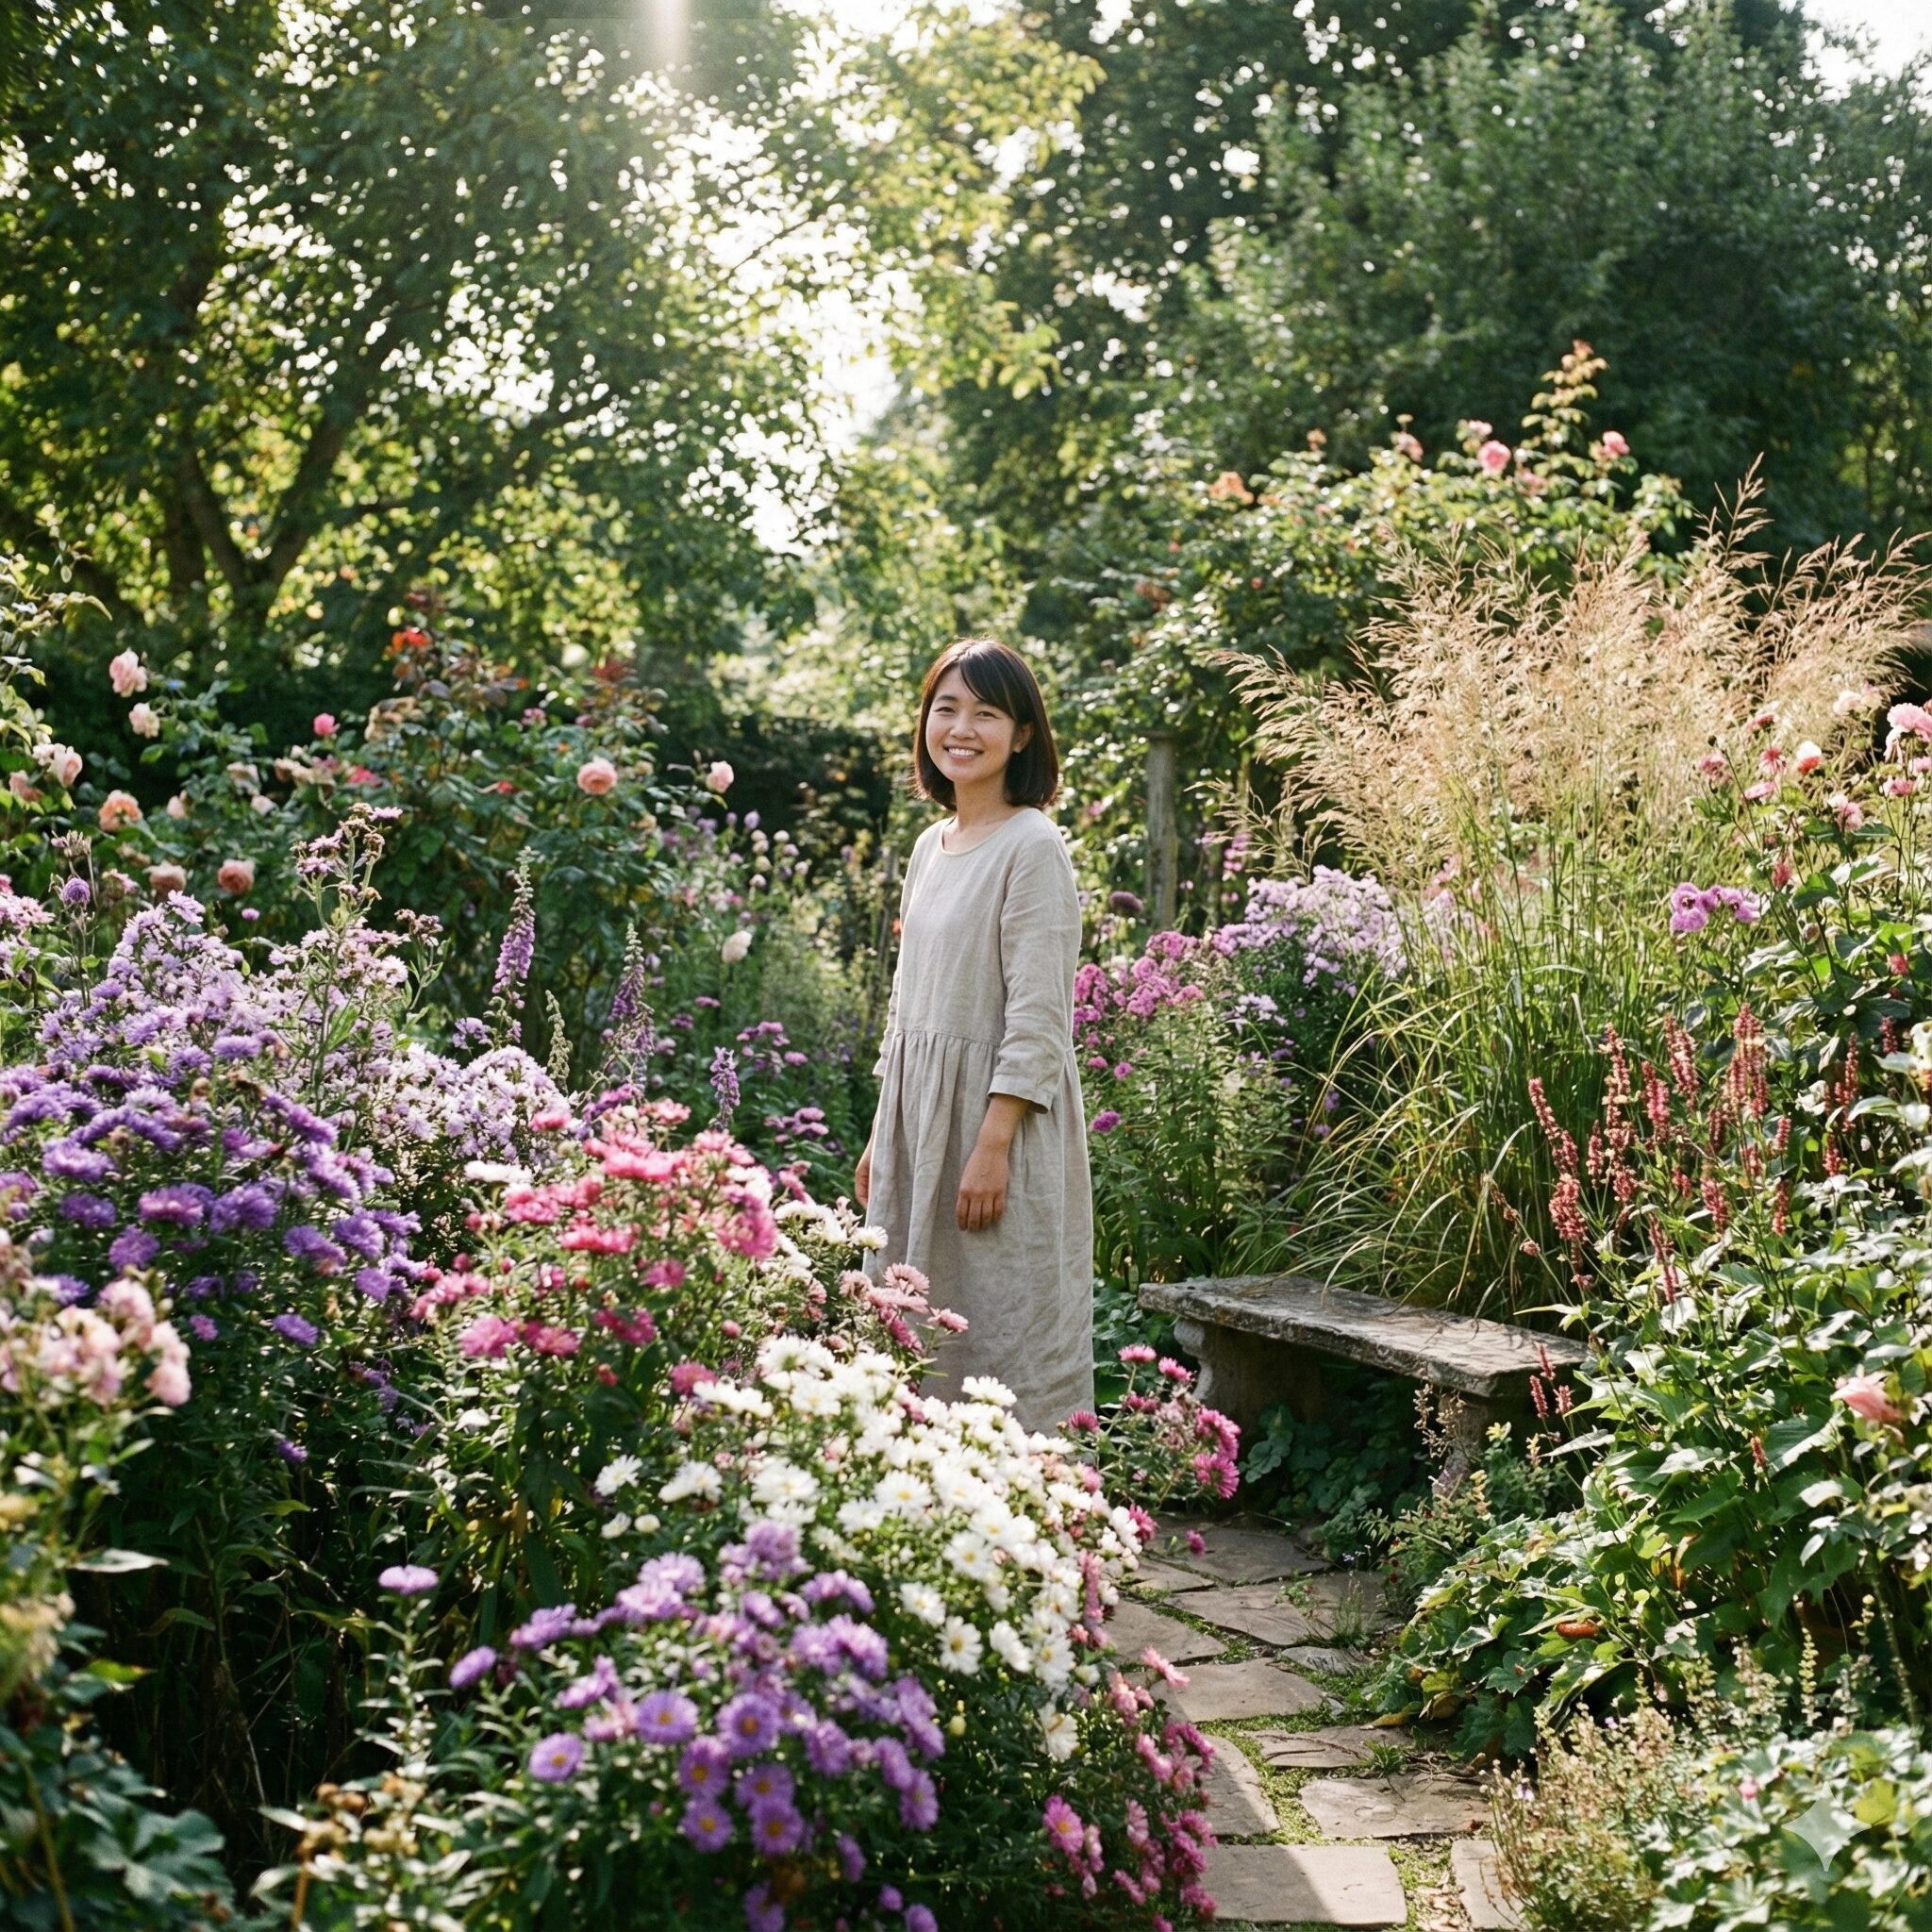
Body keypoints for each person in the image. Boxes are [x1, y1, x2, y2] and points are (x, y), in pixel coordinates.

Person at [855, 638, 1094, 1431]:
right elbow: (908, 999)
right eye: (945, 708)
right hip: (918, 1122)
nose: (961, 728)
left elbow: (1038, 1015)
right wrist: (877, 1133)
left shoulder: (1033, 846)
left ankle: (1034, 1520)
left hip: (996, 1125)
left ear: (1022, 734)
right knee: (909, 1326)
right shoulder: (931, 846)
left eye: (986, 713)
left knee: (1001, 1326)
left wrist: (992, 1145)